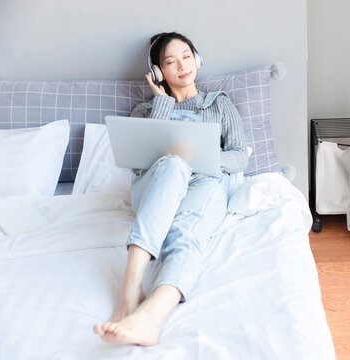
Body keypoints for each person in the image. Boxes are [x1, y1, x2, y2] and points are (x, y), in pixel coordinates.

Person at [93, 32, 248, 346]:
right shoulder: (144, 112)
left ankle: (151, 316)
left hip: (207, 181)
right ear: (158, 72)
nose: (182, 65)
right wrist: (161, 104)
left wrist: (200, 157)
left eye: (187, 56)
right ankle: (130, 287)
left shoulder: (219, 104)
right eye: (170, 61)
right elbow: (139, 166)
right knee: (174, 164)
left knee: (187, 232)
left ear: (197, 59)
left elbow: (239, 156)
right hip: (155, 188)